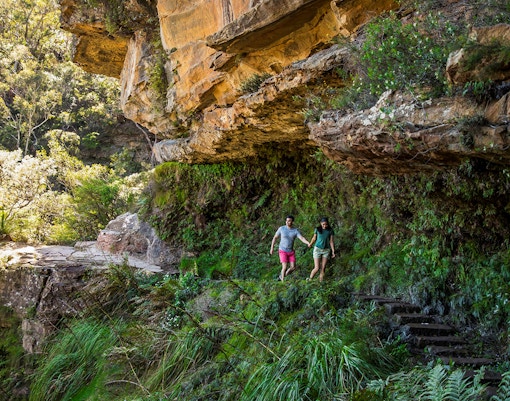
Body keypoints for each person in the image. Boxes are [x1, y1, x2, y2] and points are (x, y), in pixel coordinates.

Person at [270, 215, 310, 281]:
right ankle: (283, 282)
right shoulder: (281, 229)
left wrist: (308, 243)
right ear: (285, 221)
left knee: (293, 267)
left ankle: (283, 275)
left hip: (290, 251)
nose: (288, 222)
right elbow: (275, 238)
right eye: (287, 221)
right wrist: (272, 248)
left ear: (292, 222)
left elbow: (301, 238)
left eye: (290, 221)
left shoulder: (295, 231)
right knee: (284, 267)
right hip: (282, 250)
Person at [307, 217, 335, 282]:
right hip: (317, 249)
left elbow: (331, 241)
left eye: (326, 224)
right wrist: (310, 244)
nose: (325, 226)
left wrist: (333, 251)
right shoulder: (317, 229)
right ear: (321, 223)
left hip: (326, 250)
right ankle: (310, 280)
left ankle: (320, 283)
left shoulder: (330, 230)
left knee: (323, 268)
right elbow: (314, 238)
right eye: (323, 224)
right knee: (317, 268)